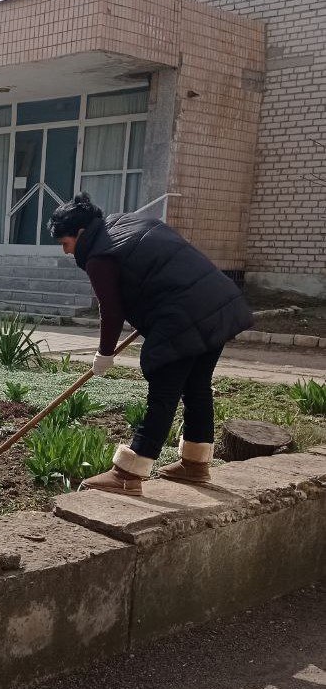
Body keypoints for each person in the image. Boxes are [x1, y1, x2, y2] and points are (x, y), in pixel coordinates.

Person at [48, 192, 253, 497]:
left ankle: (129, 474)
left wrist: (104, 353)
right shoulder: (125, 224)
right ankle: (195, 465)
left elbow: (112, 311)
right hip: (218, 302)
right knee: (196, 386)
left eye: (65, 244)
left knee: (163, 390)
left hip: (183, 313)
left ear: (79, 233)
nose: (66, 252)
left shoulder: (99, 255)